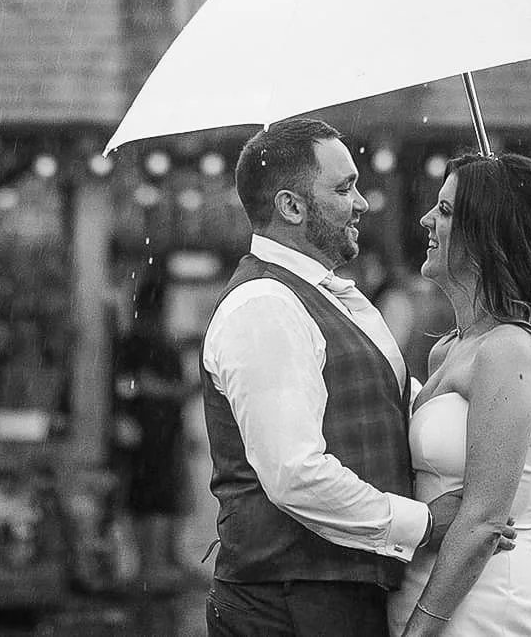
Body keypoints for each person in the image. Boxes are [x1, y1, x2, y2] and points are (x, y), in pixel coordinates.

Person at [200, 118, 513, 637]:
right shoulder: (265, 305)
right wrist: (425, 524)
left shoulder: (328, 296)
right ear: (292, 207)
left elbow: (398, 411)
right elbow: (295, 473)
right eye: (344, 188)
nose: (362, 203)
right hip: (290, 603)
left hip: (332, 598)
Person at [387, 152, 531, 637]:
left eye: (446, 211)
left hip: (480, 613)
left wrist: (418, 631)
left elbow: (486, 521)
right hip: (420, 592)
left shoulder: (510, 351)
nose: (427, 220)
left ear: (488, 235)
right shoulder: (448, 350)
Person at [111, 267, 195, 591]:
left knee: (164, 496)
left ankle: (162, 563)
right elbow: (128, 385)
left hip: (164, 432)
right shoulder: (134, 344)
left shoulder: (162, 344)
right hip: (145, 435)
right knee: (150, 497)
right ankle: (150, 567)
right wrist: (165, 391)